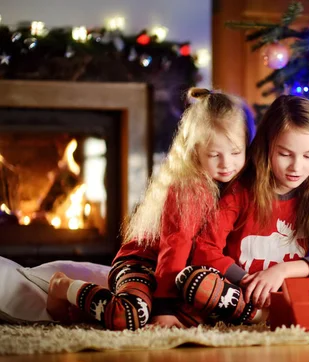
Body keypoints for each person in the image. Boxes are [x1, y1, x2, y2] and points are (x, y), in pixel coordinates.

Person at [46, 88, 255, 330]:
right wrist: (164, 309)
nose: (226, 164)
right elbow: (174, 248)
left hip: (185, 274)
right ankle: (63, 287)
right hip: (145, 263)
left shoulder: (241, 186)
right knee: (130, 316)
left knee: (204, 308)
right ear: (195, 151)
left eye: (236, 153)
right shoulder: (189, 189)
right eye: (214, 154)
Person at [174, 95, 309, 325]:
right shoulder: (241, 191)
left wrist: (284, 271)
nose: (297, 167)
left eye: (308, 156)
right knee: (193, 281)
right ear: (267, 148)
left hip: (298, 289)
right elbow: (205, 249)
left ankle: (287, 311)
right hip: (246, 292)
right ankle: (265, 315)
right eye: (285, 154)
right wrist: (248, 281)